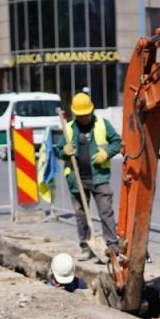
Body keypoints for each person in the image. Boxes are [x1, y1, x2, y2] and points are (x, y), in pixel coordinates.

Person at [55, 92, 121, 261]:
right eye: (80, 115)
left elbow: (117, 142)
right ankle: (86, 246)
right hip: (77, 179)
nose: (84, 118)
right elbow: (58, 150)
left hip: (99, 177)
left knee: (106, 211)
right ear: (75, 114)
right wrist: (64, 152)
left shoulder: (102, 124)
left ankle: (112, 245)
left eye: (86, 115)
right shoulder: (69, 128)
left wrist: (106, 153)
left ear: (91, 111)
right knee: (81, 215)